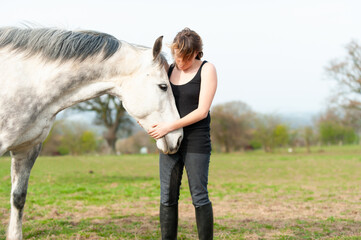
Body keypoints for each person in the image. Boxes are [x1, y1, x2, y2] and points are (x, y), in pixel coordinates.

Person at [148, 27, 217, 240]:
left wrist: (168, 126)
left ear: (197, 53)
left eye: (186, 58)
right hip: (169, 141)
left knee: (199, 196)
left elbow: (202, 111)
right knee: (167, 197)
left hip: (196, 140)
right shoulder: (168, 70)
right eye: (177, 56)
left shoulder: (207, 70)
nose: (180, 62)